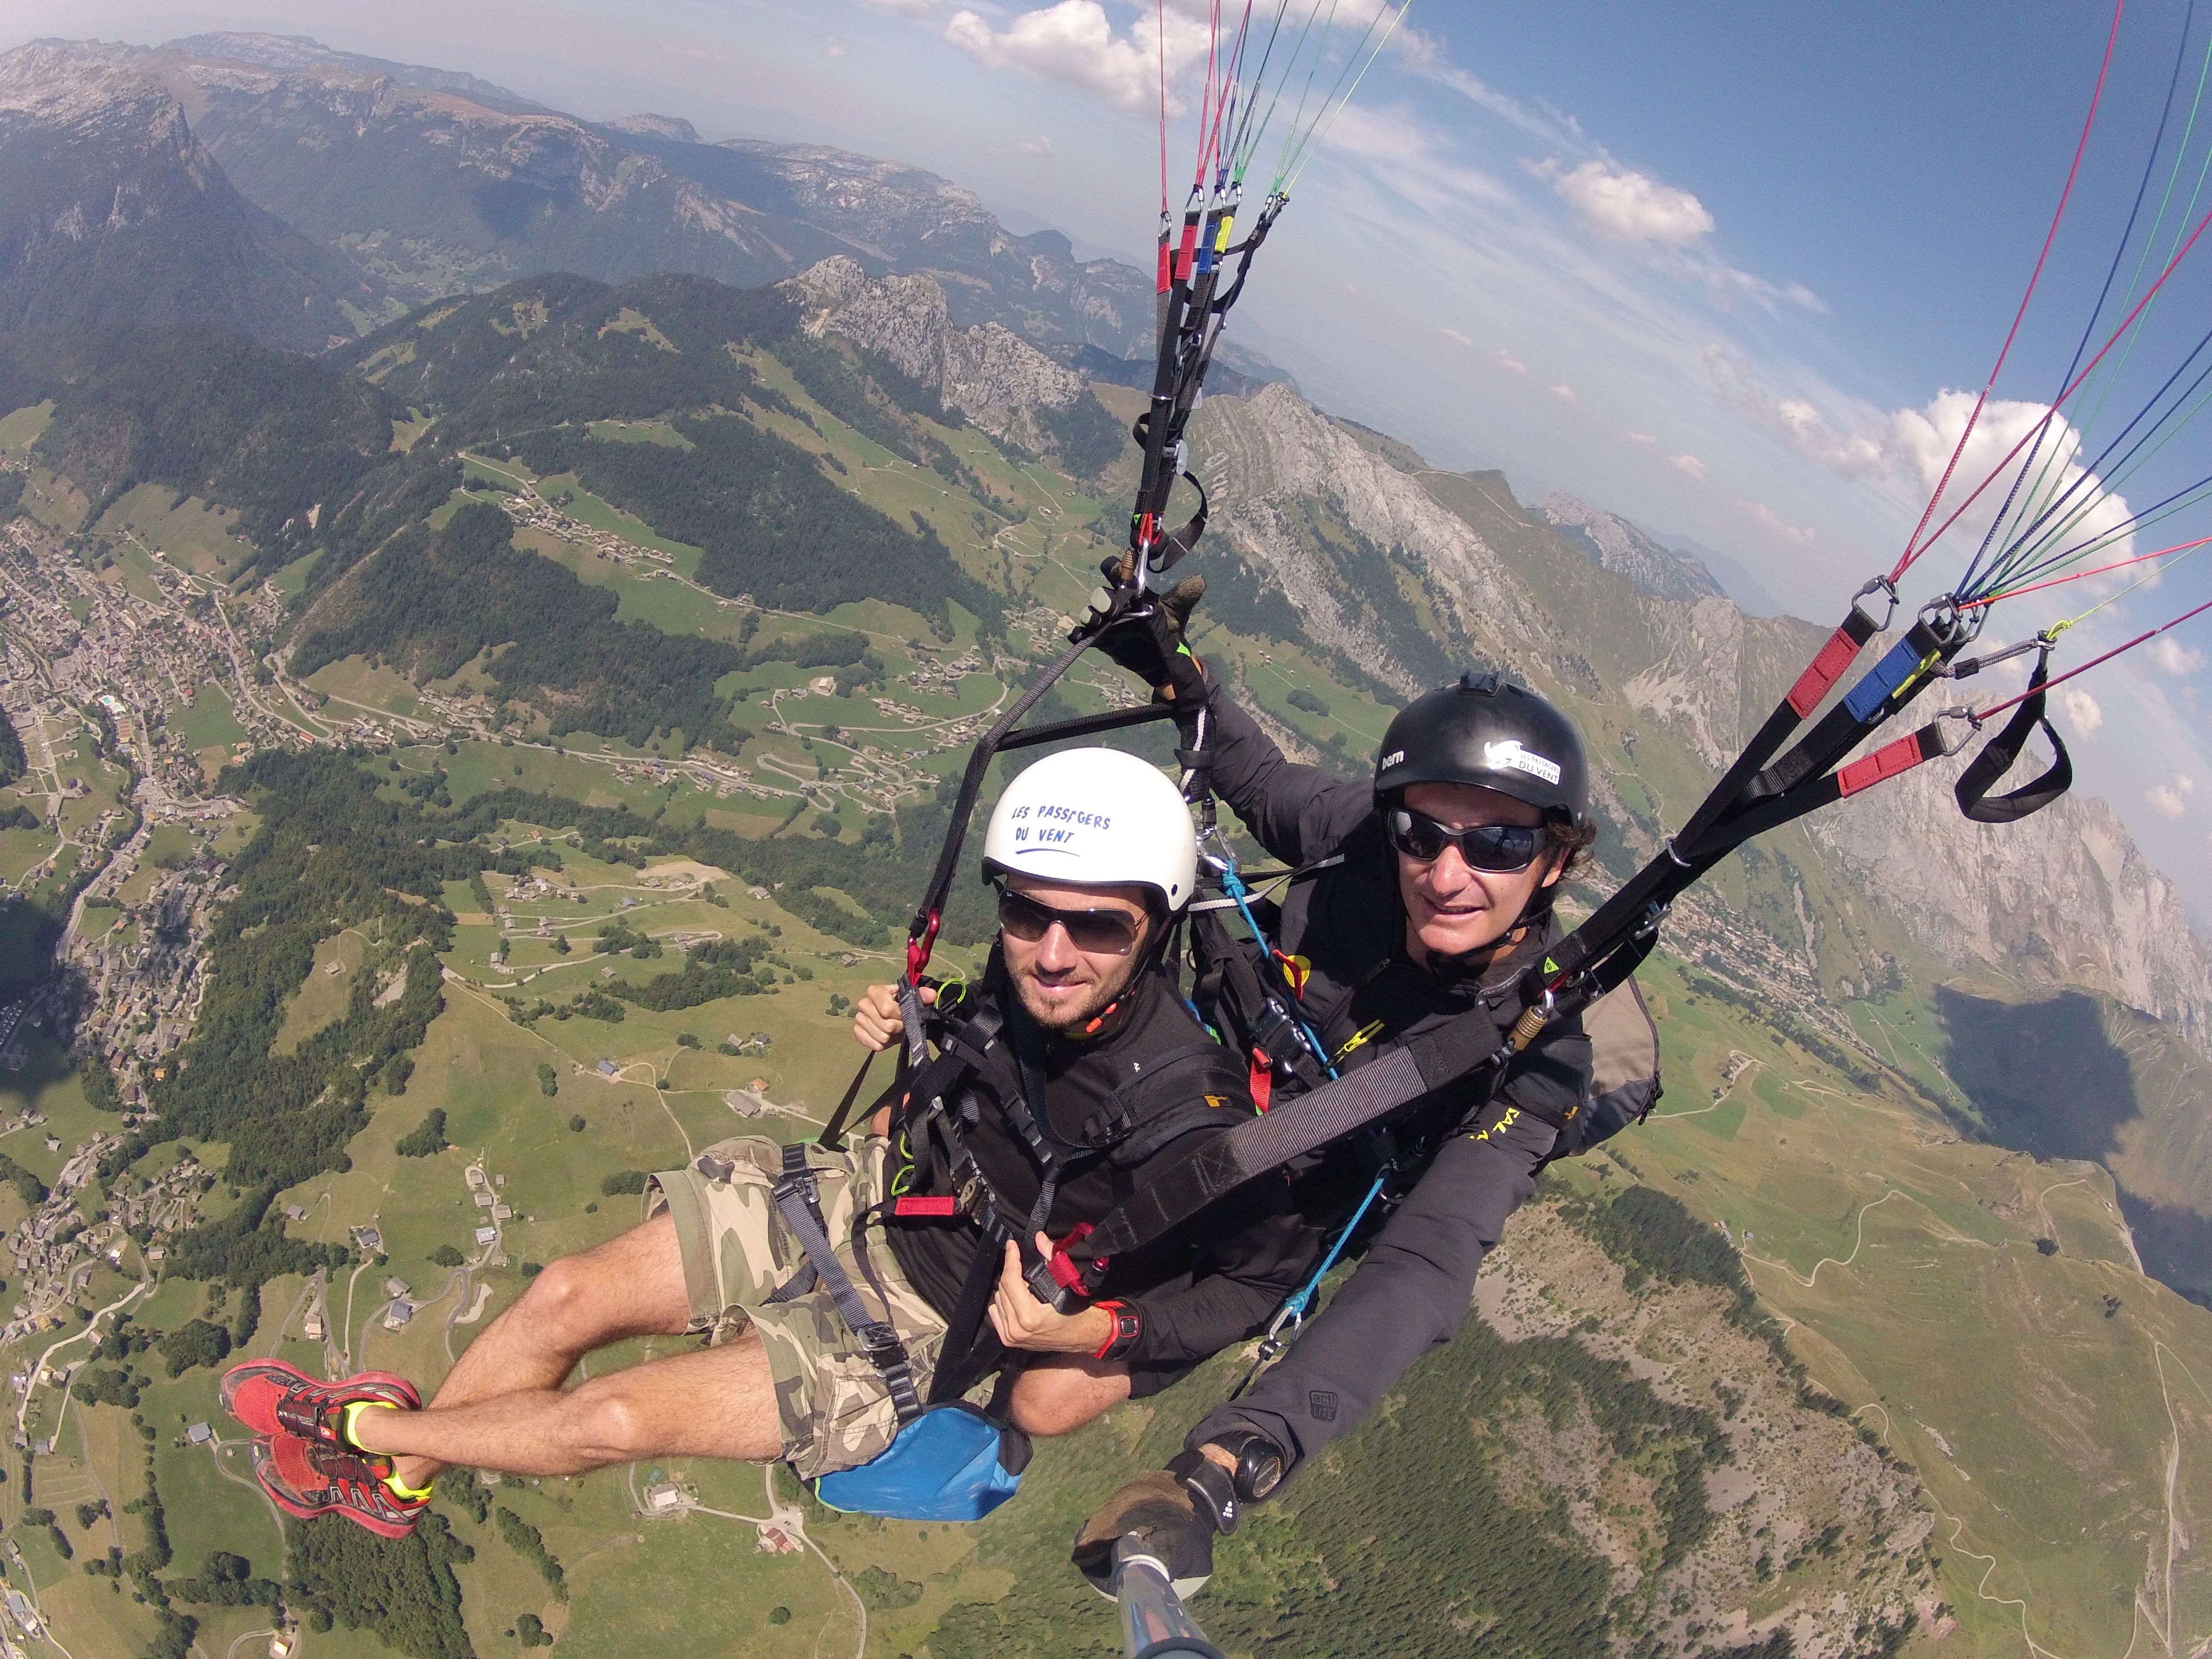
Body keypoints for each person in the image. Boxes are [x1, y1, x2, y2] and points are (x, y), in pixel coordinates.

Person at [217, 746, 1317, 1537]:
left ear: (1158, 925)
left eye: (1099, 926)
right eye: (1028, 913)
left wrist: (1102, 1329)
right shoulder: (1028, 975)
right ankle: (399, 1478)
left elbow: (1256, 1284)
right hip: (858, 1201)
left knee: (608, 1414)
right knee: (563, 1295)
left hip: (919, 1326)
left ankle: (365, 1438)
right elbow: (999, 1056)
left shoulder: (1195, 1119)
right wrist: (919, 1014)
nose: (1052, 951)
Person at [1071, 585, 1613, 1592]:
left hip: (1271, 1228)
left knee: (1046, 1396)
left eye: (1497, 844)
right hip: (1177, 1113)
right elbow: (1258, 779)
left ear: (1553, 863)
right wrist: (1173, 670)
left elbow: (1427, 1263)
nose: (1448, 872)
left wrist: (1232, 1466)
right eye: (1426, 834)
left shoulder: (1537, 1052)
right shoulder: (1364, 847)